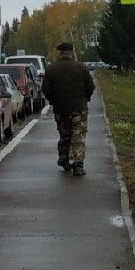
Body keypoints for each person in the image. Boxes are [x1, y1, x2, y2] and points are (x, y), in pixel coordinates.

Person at [42, 42, 95, 175]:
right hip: (79, 108)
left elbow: (46, 90)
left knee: (64, 135)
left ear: (60, 53)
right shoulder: (81, 68)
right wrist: (85, 98)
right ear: (71, 52)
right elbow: (91, 86)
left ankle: (64, 159)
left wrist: (54, 101)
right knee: (78, 136)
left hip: (61, 109)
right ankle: (78, 165)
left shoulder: (51, 69)